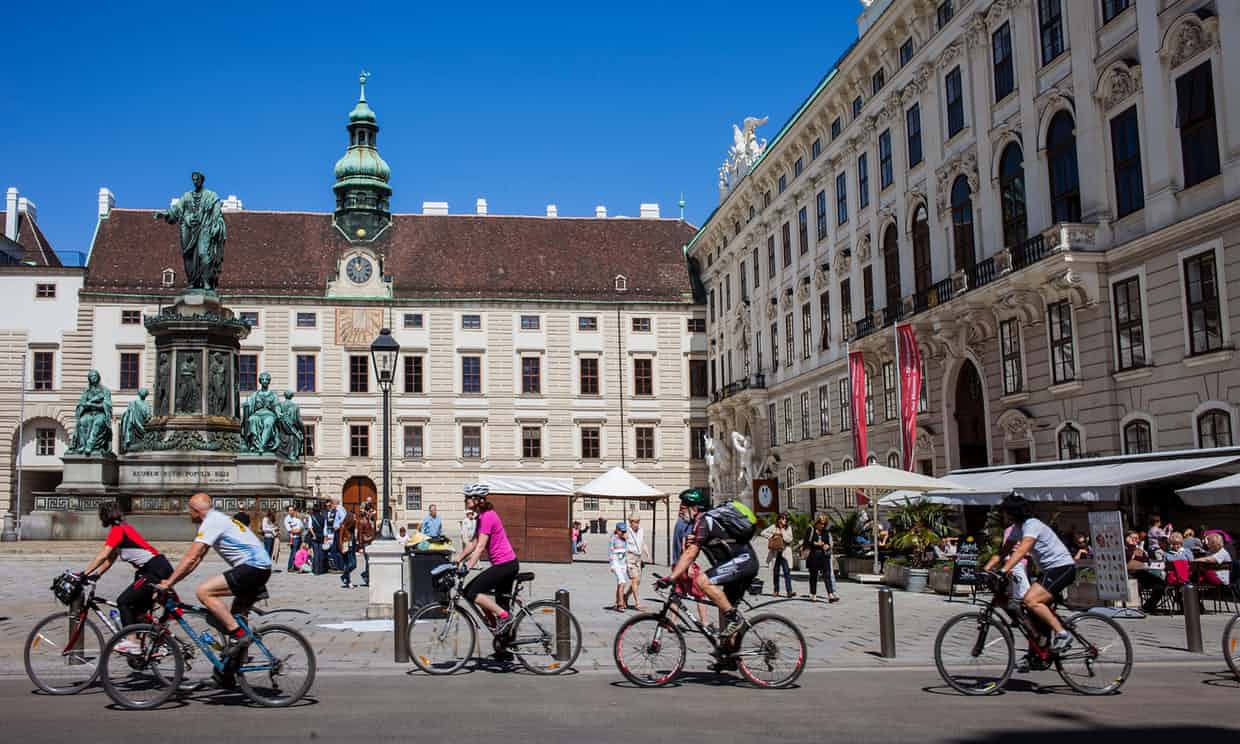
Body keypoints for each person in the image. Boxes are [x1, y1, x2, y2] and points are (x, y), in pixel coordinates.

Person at [156, 493, 273, 667]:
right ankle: (231, 671)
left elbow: (191, 557)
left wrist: (169, 583)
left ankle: (239, 635)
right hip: (260, 568)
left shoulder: (211, 522)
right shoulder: (219, 518)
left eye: (190, 510)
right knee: (236, 616)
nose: (189, 514)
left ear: (196, 510)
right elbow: (197, 559)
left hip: (252, 568)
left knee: (204, 592)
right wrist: (175, 580)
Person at [663, 488, 758, 654]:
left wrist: (672, 577)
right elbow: (692, 551)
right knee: (723, 607)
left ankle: (735, 619)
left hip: (743, 562)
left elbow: (691, 553)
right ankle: (729, 654)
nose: (680, 511)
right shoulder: (703, 523)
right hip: (739, 564)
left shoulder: (704, 520)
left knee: (702, 581)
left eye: (683, 507)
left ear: (694, 508)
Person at [80, 501, 174, 654]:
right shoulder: (124, 528)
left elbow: (103, 555)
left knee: (123, 601)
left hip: (153, 570)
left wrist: (83, 574)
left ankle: (132, 642)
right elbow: (111, 558)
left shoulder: (117, 531)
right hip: (157, 567)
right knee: (139, 612)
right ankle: (161, 641)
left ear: (104, 516)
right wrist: (96, 575)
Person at [991, 494, 1076, 654]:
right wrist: (986, 569)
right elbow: (1004, 551)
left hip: (1062, 568)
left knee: (1031, 600)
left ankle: (1063, 634)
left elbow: (1022, 550)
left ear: (1013, 512)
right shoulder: (1018, 527)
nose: (1003, 515)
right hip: (1050, 571)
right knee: (1029, 608)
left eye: (1004, 512)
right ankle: (1039, 652)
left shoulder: (1032, 524)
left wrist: (1003, 570)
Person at [454, 484, 520, 654]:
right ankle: (504, 645)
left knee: (471, 591)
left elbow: (480, 547)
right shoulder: (483, 517)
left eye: (468, 497)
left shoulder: (488, 517)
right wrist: (458, 559)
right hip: (506, 564)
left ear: (477, 500)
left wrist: (467, 567)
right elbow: (475, 542)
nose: (465, 500)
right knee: (499, 604)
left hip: (505, 565)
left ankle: (504, 618)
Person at [805, 514, 838, 602]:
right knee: (813, 576)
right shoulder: (811, 530)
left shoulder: (825, 532)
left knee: (827, 575)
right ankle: (813, 594)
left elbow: (828, 542)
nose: (822, 525)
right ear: (817, 522)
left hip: (824, 556)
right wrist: (815, 544)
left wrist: (827, 545)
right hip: (813, 555)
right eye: (821, 523)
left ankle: (830, 595)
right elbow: (806, 543)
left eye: (824, 524)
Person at [762, 513, 795, 597]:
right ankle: (776, 590)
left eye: (784, 519)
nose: (782, 520)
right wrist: (773, 535)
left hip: (785, 553)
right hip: (775, 553)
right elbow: (763, 533)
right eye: (781, 518)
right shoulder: (773, 527)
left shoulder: (788, 528)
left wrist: (782, 532)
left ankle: (789, 591)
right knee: (776, 572)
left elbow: (789, 539)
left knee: (786, 572)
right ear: (778, 519)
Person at [624, 514, 647, 610]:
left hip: (638, 558)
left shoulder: (641, 530)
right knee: (635, 579)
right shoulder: (626, 531)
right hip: (629, 557)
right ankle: (637, 603)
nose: (637, 524)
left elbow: (642, 542)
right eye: (635, 522)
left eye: (638, 522)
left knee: (637, 581)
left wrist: (646, 551)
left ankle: (625, 596)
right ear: (630, 522)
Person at [609, 521, 631, 611]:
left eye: (624, 531)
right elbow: (610, 552)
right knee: (622, 582)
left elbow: (628, 551)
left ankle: (617, 602)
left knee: (620, 584)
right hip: (616, 563)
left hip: (623, 564)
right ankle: (621, 604)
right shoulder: (613, 538)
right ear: (617, 530)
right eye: (621, 531)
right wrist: (612, 565)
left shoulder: (625, 539)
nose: (623, 533)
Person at [339, 512, 358, 589]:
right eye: (354, 517)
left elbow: (355, 536)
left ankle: (344, 576)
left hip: (352, 547)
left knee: (354, 565)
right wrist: (341, 548)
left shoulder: (352, 527)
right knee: (351, 564)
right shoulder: (343, 526)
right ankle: (348, 580)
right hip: (346, 548)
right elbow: (340, 539)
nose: (355, 519)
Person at [283, 506, 304, 573]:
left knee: (298, 553)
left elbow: (301, 528)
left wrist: (298, 530)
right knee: (293, 552)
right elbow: (290, 530)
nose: (291, 511)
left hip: (299, 537)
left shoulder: (297, 518)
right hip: (293, 538)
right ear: (288, 511)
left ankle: (296, 566)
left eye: (292, 510)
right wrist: (296, 530)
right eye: (290, 510)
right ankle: (289, 567)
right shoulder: (287, 519)